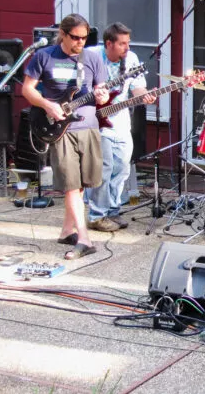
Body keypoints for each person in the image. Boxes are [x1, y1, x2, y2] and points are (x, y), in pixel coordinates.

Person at [22, 14, 109, 260]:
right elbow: (27, 89)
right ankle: (84, 238)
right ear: (63, 33)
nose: (80, 42)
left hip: (88, 126)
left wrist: (102, 97)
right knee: (70, 186)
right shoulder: (44, 56)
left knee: (81, 186)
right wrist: (48, 106)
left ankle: (65, 232)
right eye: (75, 38)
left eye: (84, 38)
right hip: (59, 129)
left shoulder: (92, 58)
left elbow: (100, 93)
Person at [84, 23, 155, 231]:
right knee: (104, 168)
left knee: (122, 168)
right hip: (96, 118)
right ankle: (97, 214)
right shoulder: (91, 55)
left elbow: (137, 88)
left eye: (128, 43)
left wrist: (146, 96)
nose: (127, 48)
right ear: (109, 44)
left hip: (121, 117)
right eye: (122, 44)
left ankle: (113, 211)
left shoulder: (131, 59)